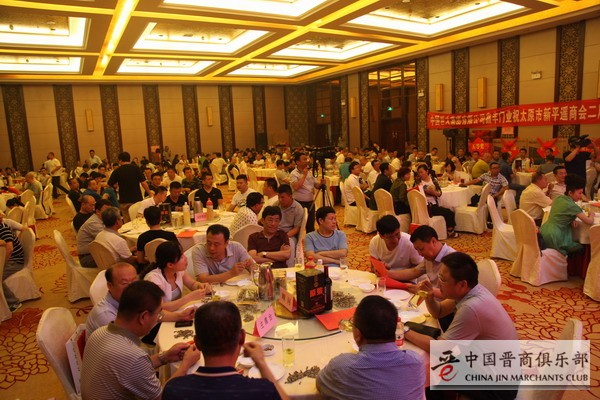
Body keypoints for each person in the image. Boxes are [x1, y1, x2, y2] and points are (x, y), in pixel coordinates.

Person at [405, 252, 518, 400]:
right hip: (494, 366)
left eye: (443, 279)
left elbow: (441, 349)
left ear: (462, 284)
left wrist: (404, 330)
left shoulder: (472, 307)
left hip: (497, 387)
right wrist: (429, 296)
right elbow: (439, 311)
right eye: (439, 276)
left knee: (427, 368)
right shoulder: (472, 291)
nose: (438, 283)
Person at [81, 280, 201, 400]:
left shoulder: (99, 333)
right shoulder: (133, 357)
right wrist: (185, 365)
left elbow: (130, 369)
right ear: (143, 317)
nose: (158, 319)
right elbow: (162, 397)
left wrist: (165, 356)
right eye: (158, 315)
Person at [163, 301, 287, 400]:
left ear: (197, 343)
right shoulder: (262, 391)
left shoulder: (174, 390)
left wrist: (184, 365)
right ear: (242, 338)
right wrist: (261, 363)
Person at [316, 295, 425, 400]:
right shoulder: (415, 362)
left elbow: (321, 385)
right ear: (395, 330)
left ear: (357, 334)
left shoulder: (340, 367)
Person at [143, 241, 210, 311]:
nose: (185, 258)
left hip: (177, 312)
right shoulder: (154, 279)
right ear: (170, 265)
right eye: (181, 257)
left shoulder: (178, 271)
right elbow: (160, 308)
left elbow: (192, 284)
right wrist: (189, 297)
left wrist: (200, 286)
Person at [540, 174, 594, 256]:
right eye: (579, 193)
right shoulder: (572, 206)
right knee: (580, 248)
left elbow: (561, 213)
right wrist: (592, 214)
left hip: (545, 230)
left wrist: (571, 219)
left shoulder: (559, 198)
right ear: (570, 193)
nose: (581, 196)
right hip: (556, 235)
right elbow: (589, 221)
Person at [369, 215, 424, 283]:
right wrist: (378, 269)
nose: (395, 240)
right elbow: (373, 268)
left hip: (406, 279)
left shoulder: (410, 243)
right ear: (381, 236)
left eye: (397, 234)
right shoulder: (374, 242)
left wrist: (394, 274)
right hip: (385, 278)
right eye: (390, 237)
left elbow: (420, 268)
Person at [414, 164, 459, 238]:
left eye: (422, 172)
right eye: (419, 172)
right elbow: (417, 192)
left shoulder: (433, 180)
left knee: (450, 210)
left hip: (435, 204)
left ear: (427, 171)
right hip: (426, 206)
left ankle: (449, 229)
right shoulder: (418, 181)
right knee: (448, 212)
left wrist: (433, 192)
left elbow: (439, 193)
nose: (420, 174)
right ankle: (450, 231)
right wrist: (430, 192)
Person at [410, 225, 456, 293]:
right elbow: (414, 271)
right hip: (433, 296)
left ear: (433, 241)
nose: (419, 254)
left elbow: (452, 294)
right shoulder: (430, 256)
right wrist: (391, 274)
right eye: (417, 250)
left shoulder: (452, 259)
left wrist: (425, 289)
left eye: (421, 249)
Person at [108, 152, 151, 223]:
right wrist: (149, 193)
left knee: (127, 222)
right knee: (138, 220)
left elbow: (109, 185)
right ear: (129, 159)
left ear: (120, 160)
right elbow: (143, 183)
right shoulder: (136, 168)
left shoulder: (117, 171)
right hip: (136, 199)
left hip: (124, 200)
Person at [290, 152, 325, 233]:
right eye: (304, 159)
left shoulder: (310, 172)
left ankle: (310, 241)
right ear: (297, 162)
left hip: (311, 203)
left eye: (307, 159)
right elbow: (296, 187)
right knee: (298, 226)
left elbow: (316, 185)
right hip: (299, 203)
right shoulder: (294, 173)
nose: (306, 161)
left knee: (310, 226)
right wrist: (304, 175)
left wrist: (321, 184)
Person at [76, 199, 112, 268]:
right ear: (98, 211)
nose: (109, 213)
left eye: (110, 210)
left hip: (96, 253)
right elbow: (108, 238)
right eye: (106, 210)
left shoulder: (100, 220)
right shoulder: (93, 223)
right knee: (118, 258)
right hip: (87, 257)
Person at [0, 217, 26, 312]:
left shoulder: (3, 229)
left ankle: (14, 302)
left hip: (14, 261)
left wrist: (2, 265)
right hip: (10, 259)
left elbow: (9, 249)